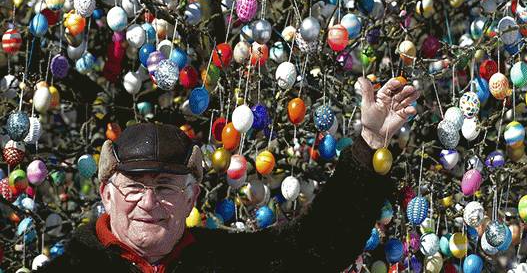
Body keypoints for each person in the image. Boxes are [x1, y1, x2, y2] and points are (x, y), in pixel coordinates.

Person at [40, 76, 419, 273]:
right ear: (107, 195)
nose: (149, 202)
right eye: (134, 187)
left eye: (166, 186)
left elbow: (321, 245)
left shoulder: (225, 260)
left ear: (191, 197)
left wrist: (371, 142)